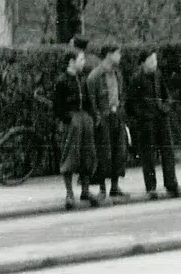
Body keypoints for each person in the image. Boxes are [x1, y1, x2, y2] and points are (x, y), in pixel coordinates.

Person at [128, 49, 181, 199]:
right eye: (151, 61)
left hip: (161, 118)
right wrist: (142, 115)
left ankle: (171, 184)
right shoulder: (136, 79)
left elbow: (165, 94)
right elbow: (132, 103)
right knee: (148, 155)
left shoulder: (158, 75)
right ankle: (151, 187)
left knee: (167, 151)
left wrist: (165, 107)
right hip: (147, 121)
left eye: (155, 60)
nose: (154, 64)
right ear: (143, 63)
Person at [54, 48, 98, 209]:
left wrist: (91, 117)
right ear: (71, 62)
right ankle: (69, 193)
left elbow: (88, 102)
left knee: (87, 154)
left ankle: (85, 191)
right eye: (80, 60)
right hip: (72, 121)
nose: (83, 62)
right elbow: (57, 107)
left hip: (84, 119)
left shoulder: (82, 79)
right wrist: (68, 119)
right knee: (70, 155)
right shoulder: (62, 81)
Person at [87, 44, 128, 202]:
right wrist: (97, 118)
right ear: (109, 55)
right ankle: (103, 188)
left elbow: (120, 93)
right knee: (104, 153)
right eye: (117, 53)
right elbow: (92, 100)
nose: (120, 56)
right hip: (103, 117)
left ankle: (114, 187)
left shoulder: (117, 73)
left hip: (116, 114)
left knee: (119, 151)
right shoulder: (95, 76)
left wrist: (119, 110)